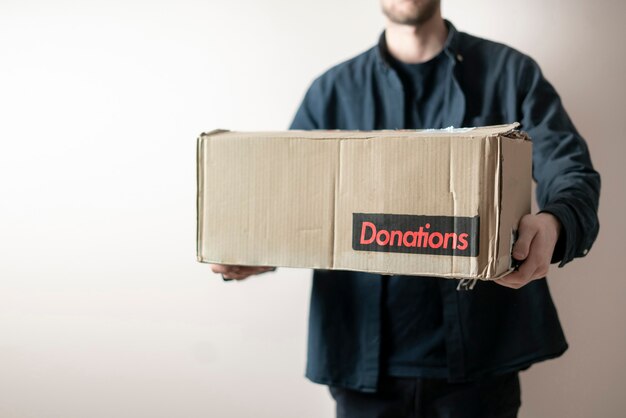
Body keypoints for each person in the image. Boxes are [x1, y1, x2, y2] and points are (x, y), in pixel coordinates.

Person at [211, 0, 601, 416]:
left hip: (482, 362)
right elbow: (288, 206)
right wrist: (255, 254)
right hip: (361, 363)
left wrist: (556, 223)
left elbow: (570, 171)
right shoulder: (332, 91)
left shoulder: (510, 72)